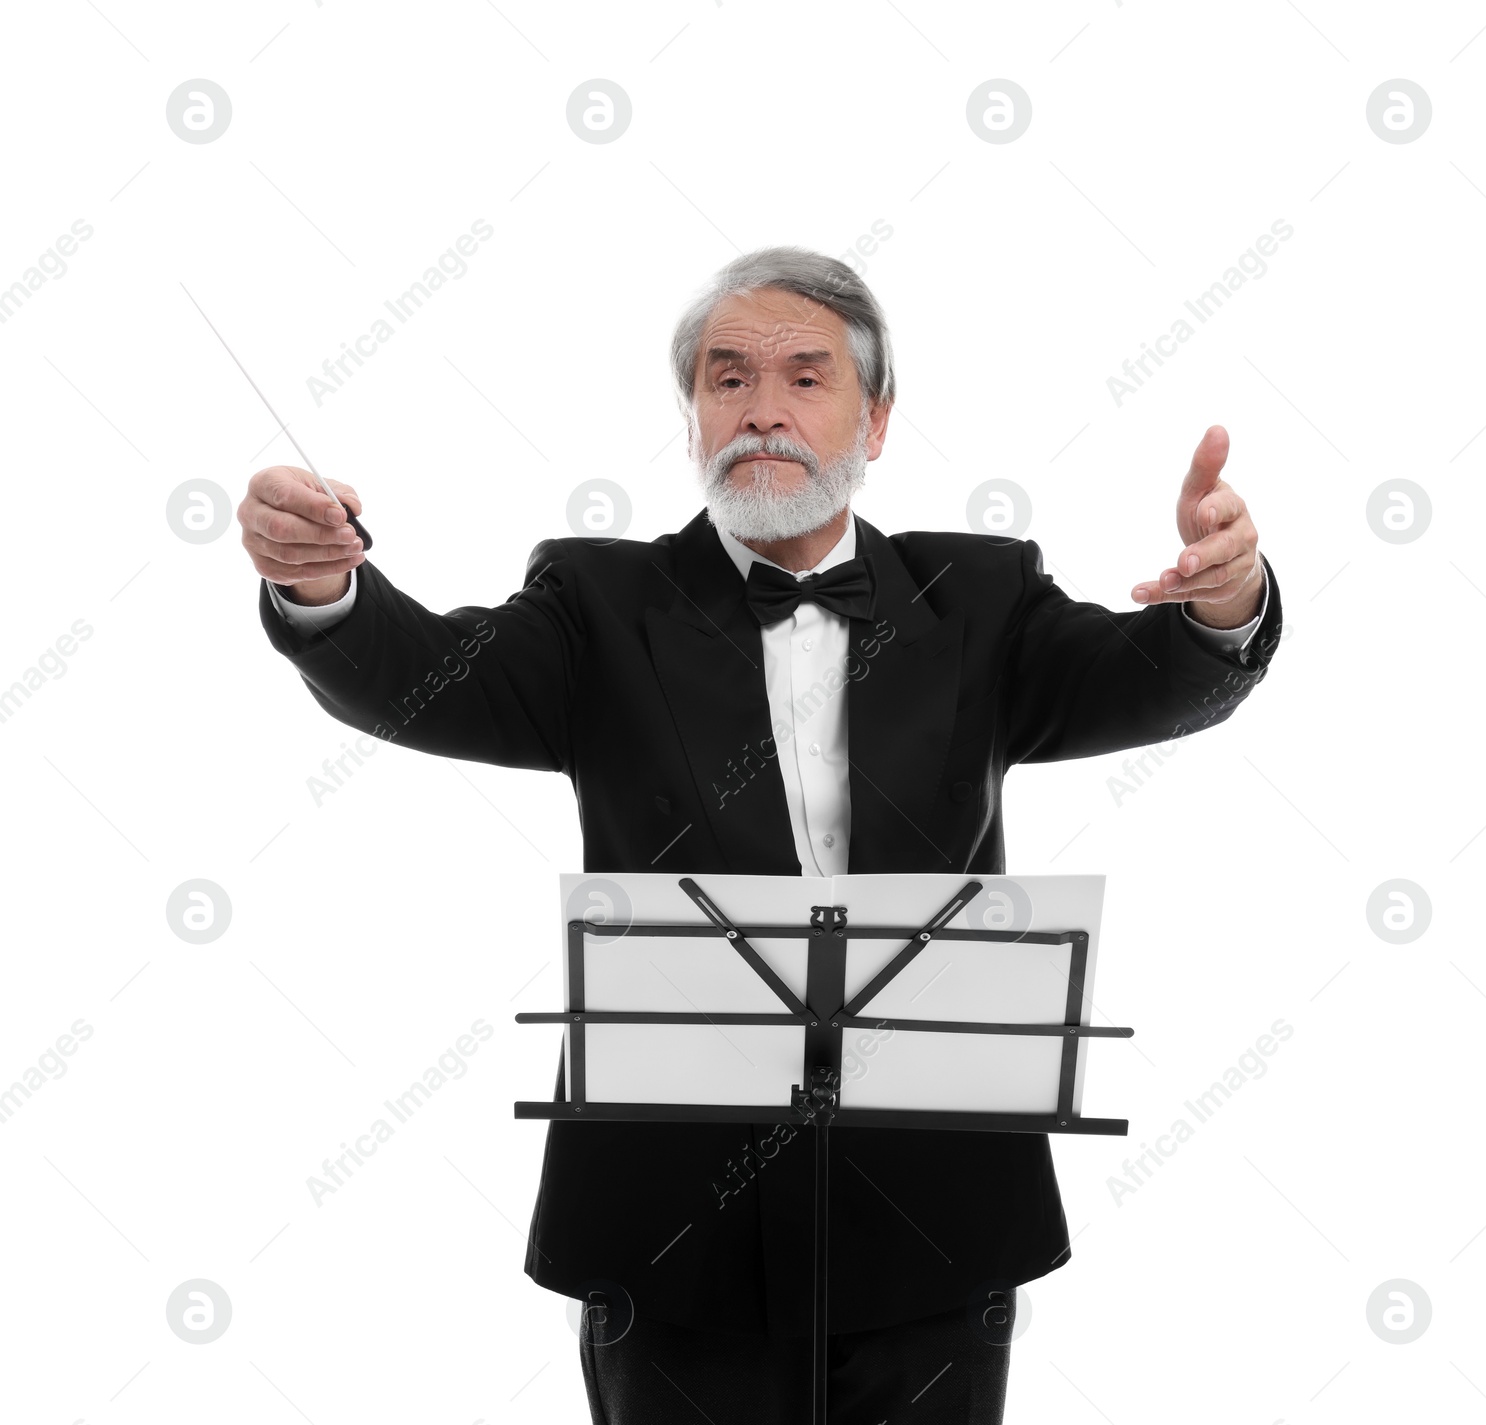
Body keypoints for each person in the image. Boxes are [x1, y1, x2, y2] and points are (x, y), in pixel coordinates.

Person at [241, 246, 1283, 1422]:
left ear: (875, 420)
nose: (762, 410)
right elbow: (419, 678)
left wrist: (1222, 604)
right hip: (672, 1223)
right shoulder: (598, 604)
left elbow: (1154, 680)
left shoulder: (980, 600)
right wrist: (323, 590)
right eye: (727, 380)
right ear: (693, 416)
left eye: (805, 377)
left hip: (934, 1212)